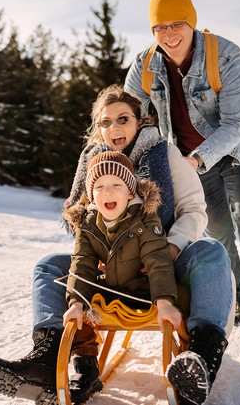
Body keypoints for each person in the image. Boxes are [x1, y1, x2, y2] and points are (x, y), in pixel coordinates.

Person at [0, 85, 234, 405]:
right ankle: (47, 358)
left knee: (211, 251)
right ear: (97, 127)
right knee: (49, 265)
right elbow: (82, 223)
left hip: (166, 258)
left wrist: (170, 248)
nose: (114, 128)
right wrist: (98, 256)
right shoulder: (92, 163)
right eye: (105, 122)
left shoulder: (164, 154)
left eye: (122, 119)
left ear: (140, 122)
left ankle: (201, 356)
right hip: (112, 266)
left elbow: (194, 210)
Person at [123, 0, 240, 333]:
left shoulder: (227, 56)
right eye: (159, 27)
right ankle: (239, 295)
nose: (168, 34)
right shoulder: (146, 65)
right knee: (217, 230)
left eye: (176, 24)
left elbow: (236, 123)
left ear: (191, 22)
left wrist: (195, 160)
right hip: (188, 159)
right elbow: (129, 113)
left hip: (239, 151)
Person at [61, 150, 184, 401]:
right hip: (111, 289)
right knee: (78, 299)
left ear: (130, 191)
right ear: (92, 195)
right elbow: (82, 263)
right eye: (100, 186)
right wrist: (75, 303)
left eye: (116, 184)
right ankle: (85, 365)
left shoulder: (146, 218)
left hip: (143, 292)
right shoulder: (87, 223)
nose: (108, 191)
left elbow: (158, 260)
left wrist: (164, 303)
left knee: (183, 295)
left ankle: (189, 364)